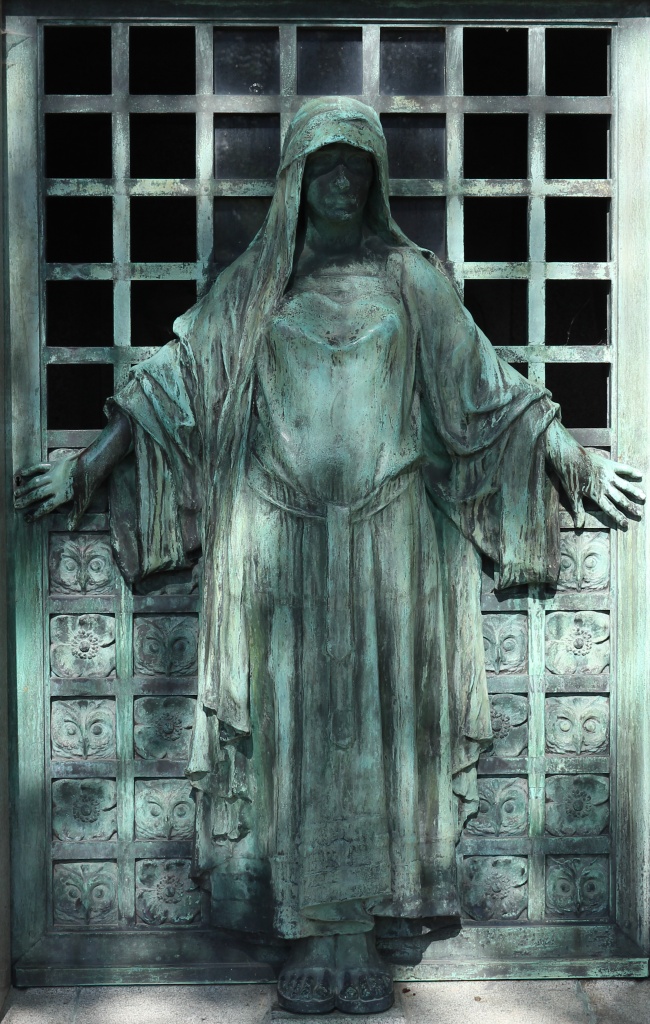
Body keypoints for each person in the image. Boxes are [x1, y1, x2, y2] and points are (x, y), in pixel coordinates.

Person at [15, 98, 644, 1015]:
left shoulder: (411, 281)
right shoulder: (258, 285)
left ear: (376, 179)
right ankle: (309, 930)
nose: (341, 182)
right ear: (297, 180)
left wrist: (574, 461)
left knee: (381, 735)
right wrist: (87, 466)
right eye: (324, 165)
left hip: (389, 545)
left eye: (356, 166)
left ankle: (360, 931)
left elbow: (490, 391)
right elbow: (173, 385)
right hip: (278, 547)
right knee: (291, 737)